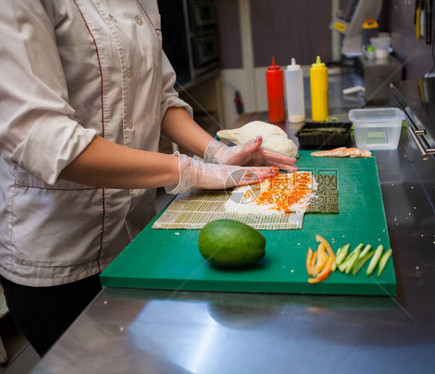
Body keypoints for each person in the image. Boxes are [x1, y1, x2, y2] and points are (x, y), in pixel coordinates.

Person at [0, 0, 297, 357]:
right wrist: (191, 171)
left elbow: (161, 99)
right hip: (59, 252)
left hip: (134, 240)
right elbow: (41, 135)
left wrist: (215, 152)